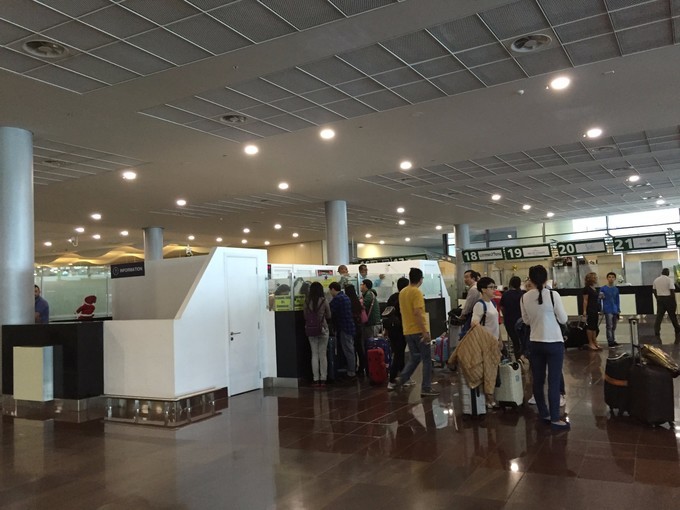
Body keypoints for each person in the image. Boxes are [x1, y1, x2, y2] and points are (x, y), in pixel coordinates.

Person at [520, 265, 570, 431]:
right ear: (546, 278)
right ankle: (555, 419)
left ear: (530, 279)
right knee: (554, 381)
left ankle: (544, 414)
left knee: (538, 380)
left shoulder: (524, 297)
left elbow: (526, 321)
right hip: (554, 342)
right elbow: (563, 319)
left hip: (535, 342)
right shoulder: (554, 295)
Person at [393, 268, 439, 397]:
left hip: (407, 330)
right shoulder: (416, 292)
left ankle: (402, 378)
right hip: (418, 330)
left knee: (415, 357)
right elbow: (418, 312)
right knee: (426, 359)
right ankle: (426, 387)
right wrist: (425, 332)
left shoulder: (402, 292)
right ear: (421, 279)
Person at [472, 276, 502, 408]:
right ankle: (489, 399)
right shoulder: (480, 305)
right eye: (491, 287)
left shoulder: (492, 303)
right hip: (485, 343)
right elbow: (474, 324)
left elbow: (496, 323)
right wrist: (487, 338)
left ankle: (490, 397)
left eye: (494, 287)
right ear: (483, 289)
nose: (493, 290)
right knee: (488, 371)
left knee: (493, 370)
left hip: (494, 342)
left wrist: (499, 339)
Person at [385, 277, 415, 390]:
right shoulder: (404, 297)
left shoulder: (392, 297)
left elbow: (387, 314)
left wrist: (386, 330)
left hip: (392, 329)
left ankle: (404, 377)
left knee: (399, 353)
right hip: (401, 328)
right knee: (399, 355)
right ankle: (392, 380)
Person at [303, 282, 331, 387]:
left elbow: (305, 316)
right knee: (322, 354)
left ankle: (316, 379)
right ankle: (323, 378)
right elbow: (329, 315)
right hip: (323, 328)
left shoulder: (307, 301)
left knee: (314, 354)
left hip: (311, 329)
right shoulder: (324, 300)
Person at [329, 282, 356, 378]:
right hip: (349, 326)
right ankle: (351, 369)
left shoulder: (338, 299)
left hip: (344, 327)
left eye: (330, 290)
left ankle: (351, 371)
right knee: (350, 348)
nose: (330, 293)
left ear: (333, 289)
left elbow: (329, 309)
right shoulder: (345, 297)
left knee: (348, 349)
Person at [652, 268, 680, 343]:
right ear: (667, 273)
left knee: (659, 316)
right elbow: (672, 291)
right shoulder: (669, 280)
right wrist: (673, 301)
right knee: (672, 316)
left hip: (660, 299)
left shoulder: (656, 280)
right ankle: (677, 329)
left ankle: (657, 330)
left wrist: (657, 298)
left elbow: (654, 290)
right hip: (669, 299)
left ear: (662, 272)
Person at [345, 284, 366, 377]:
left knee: (351, 348)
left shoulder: (347, 301)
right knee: (359, 347)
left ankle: (353, 367)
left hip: (351, 327)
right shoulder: (357, 301)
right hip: (359, 326)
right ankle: (362, 367)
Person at [500, 276, 524, 357]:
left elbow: (502, 307)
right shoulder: (522, 294)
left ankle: (517, 358)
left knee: (514, 340)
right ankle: (524, 358)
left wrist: (504, 316)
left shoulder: (505, 294)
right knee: (522, 340)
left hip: (509, 320)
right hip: (521, 320)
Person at [581, 272, 602, 351]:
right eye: (594, 277)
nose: (596, 279)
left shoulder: (594, 288)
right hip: (590, 309)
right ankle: (590, 342)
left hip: (595, 309)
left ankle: (594, 341)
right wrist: (584, 311)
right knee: (590, 326)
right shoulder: (586, 289)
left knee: (595, 326)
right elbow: (585, 300)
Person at [600, 272, 620, 347]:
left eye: (612, 277)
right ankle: (610, 341)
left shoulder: (616, 289)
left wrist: (618, 309)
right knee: (609, 325)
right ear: (607, 278)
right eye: (609, 277)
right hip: (607, 309)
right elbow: (600, 299)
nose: (611, 279)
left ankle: (613, 339)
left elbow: (617, 300)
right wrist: (601, 309)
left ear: (615, 279)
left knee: (614, 326)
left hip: (614, 309)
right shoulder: (603, 289)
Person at [459, 270, 481, 336]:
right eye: (464, 277)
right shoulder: (477, 287)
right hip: (477, 314)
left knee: (465, 335)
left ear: (473, 278)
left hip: (471, 315)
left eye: (467, 277)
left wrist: (462, 315)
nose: (465, 279)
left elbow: (469, 305)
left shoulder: (473, 289)